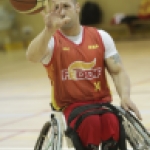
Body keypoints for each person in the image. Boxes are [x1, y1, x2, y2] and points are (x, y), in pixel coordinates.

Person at [26, 0, 142, 149]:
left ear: (77, 8)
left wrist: (125, 96)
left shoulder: (100, 36)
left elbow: (118, 71)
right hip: (71, 106)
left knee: (112, 120)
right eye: (56, 8)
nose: (61, 12)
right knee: (91, 121)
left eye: (66, 6)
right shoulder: (51, 41)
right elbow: (31, 57)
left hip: (101, 103)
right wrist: (48, 30)